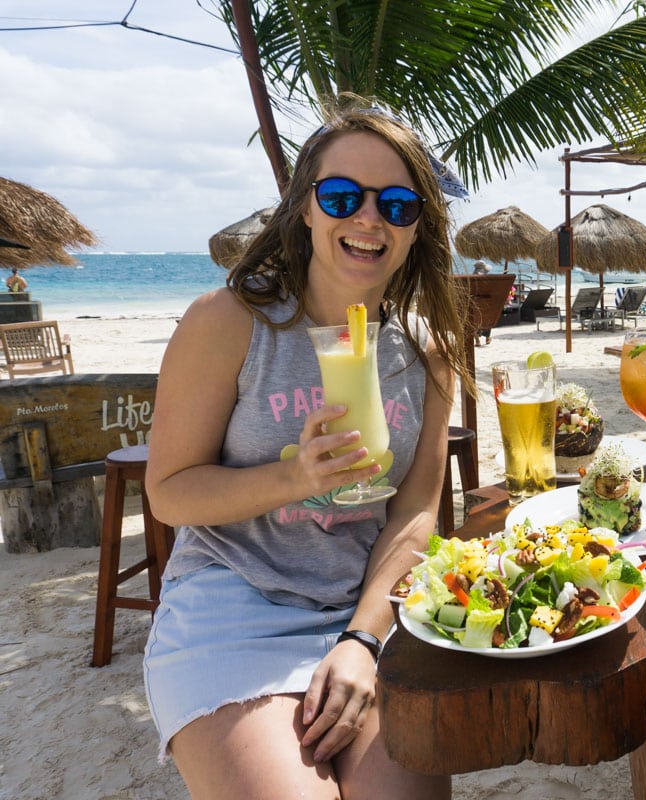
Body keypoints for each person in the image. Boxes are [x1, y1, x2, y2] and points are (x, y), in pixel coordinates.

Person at [143, 100, 472, 799]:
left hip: (366, 607)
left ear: (419, 229)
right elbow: (169, 491)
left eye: (398, 204)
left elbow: (415, 514)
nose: (368, 219)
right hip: (235, 607)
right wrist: (293, 476)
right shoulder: (230, 322)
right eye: (342, 196)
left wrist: (364, 639)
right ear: (305, 211)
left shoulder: (428, 349)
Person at [472, 259, 492, 345]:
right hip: (486, 302)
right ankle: (487, 338)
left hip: (474, 302)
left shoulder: (472, 279)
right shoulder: (487, 280)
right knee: (488, 317)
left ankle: (477, 340)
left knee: (474, 319)